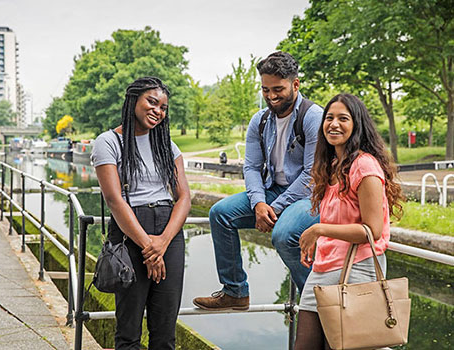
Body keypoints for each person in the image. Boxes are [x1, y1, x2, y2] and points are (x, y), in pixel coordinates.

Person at [193, 51, 323, 311]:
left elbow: (312, 175)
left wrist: (273, 208)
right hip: (272, 192)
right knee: (220, 213)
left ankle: (315, 300)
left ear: (295, 85)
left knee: (284, 234)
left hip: (310, 196)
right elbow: (251, 167)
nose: (272, 96)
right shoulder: (260, 120)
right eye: (266, 90)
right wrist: (259, 204)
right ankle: (235, 291)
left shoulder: (313, 117)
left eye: (278, 89)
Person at [294, 93, 404, 349]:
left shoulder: (364, 166)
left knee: (344, 345)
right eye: (329, 118)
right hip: (324, 267)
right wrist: (318, 244)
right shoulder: (332, 164)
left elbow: (372, 230)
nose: (334, 124)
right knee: (306, 343)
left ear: (357, 125)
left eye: (343, 118)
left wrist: (319, 230)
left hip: (356, 267)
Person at [91, 76, 191, 350]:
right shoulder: (108, 142)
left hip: (168, 234)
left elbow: (183, 198)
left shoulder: (167, 146)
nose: (158, 111)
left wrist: (162, 243)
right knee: (128, 331)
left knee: (165, 330)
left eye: (163, 107)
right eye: (152, 102)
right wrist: (149, 247)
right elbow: (114, 200)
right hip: (129, 233)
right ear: (134, 99)